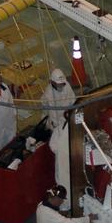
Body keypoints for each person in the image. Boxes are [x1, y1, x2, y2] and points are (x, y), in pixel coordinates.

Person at [42, 69, 76, 201]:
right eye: (59, 84)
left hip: (67, 124)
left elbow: (73, 102)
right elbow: (48, 112)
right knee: (61, 168)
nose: (61, 85)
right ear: (52, 82)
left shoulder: (67, 87)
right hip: (57, 127)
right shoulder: (48, 94)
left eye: (62, 83)